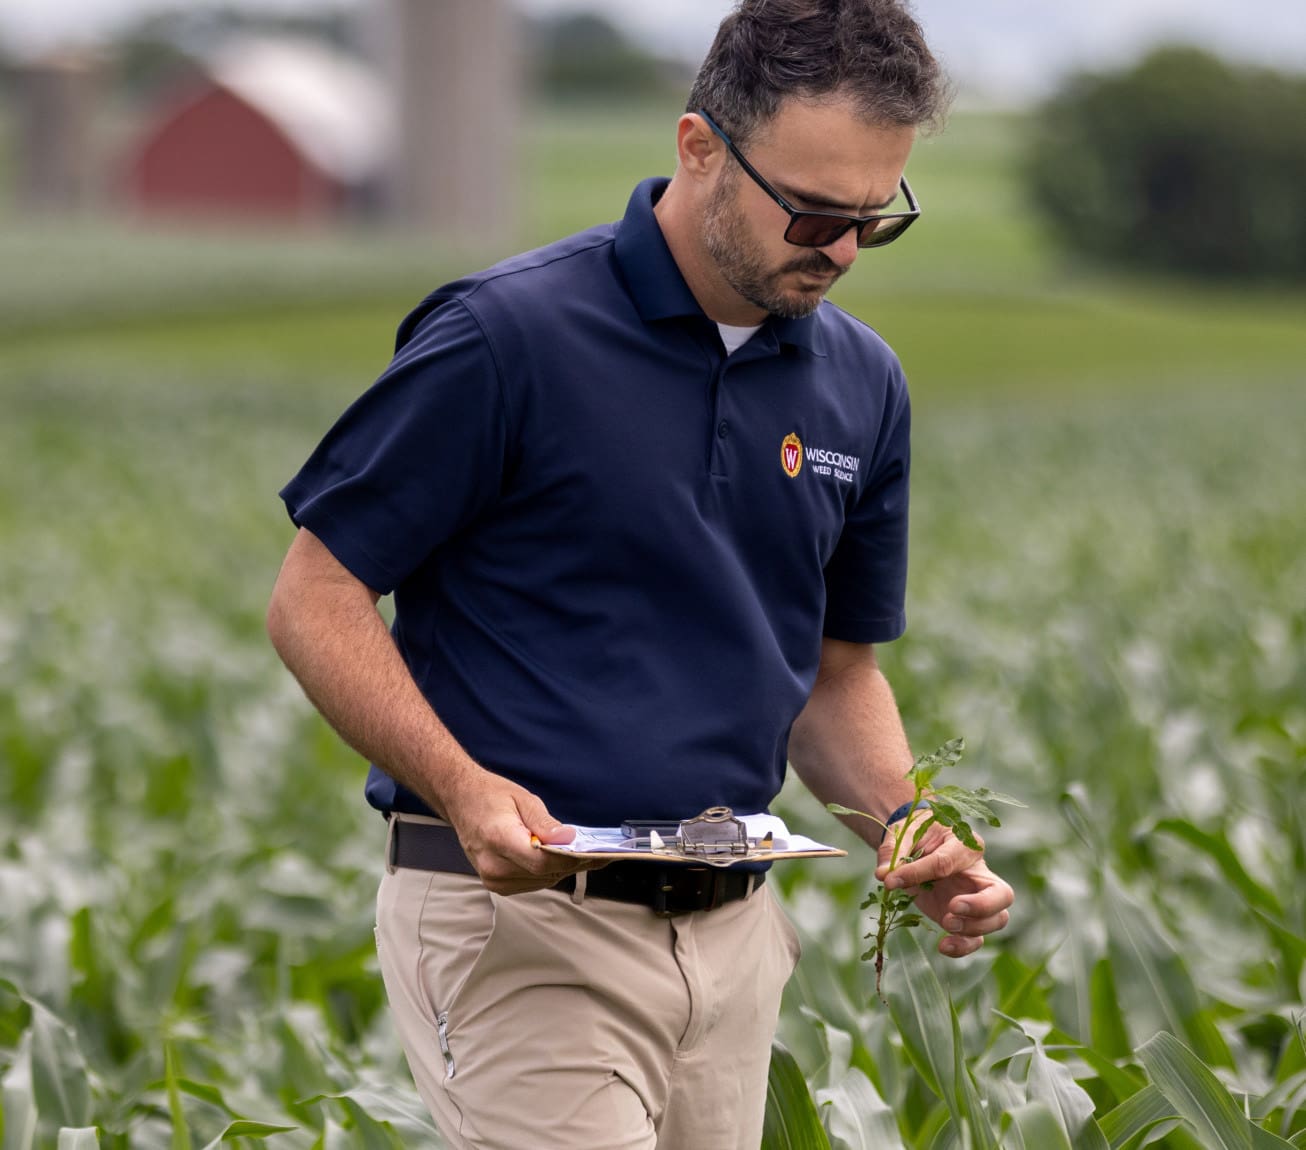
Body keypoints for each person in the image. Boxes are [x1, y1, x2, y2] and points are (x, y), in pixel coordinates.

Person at [266, 1, 1014, 1146]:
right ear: (699, 147)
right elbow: (314, 596)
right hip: (519, 924)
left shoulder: (864, 383)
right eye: (814, 214)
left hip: (734, 939)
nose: (844, 251)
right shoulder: (503, 338)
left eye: (876, 219)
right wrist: (465, 788)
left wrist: (902, 823)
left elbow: (832, 669)